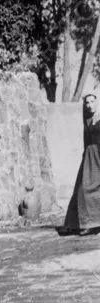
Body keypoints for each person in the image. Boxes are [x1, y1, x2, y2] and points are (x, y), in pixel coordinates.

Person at [63, 93, 100, 235]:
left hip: (98, 154)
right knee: (82, 188)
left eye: (92, 102)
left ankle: (93, 223)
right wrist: (85, 155)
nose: (89, 105)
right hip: (89, 157)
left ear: (97, 103)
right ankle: (80, 223)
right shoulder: (87, 119)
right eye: (87, 102)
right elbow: (86, 140)